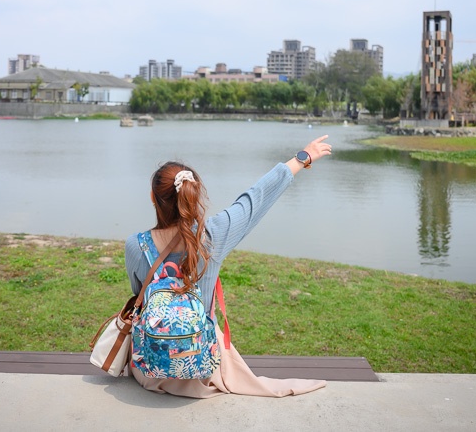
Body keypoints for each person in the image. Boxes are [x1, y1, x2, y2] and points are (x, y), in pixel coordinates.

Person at [124, 134, 333, 398]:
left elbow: (140, 297)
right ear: (193, 194)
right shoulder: (214, 236)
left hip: (151, 371)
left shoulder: (135, 245)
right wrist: (302, 158)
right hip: (203, 367)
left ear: (154, 199)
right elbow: (255, 199)